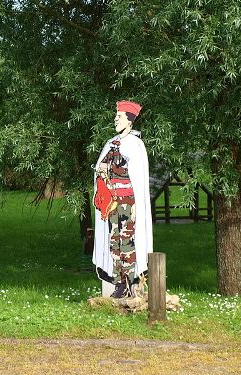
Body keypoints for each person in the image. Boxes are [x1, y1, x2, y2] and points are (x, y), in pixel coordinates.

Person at [92, 101, 153, 298]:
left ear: (129, 120)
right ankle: (119, 284)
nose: (115, 119)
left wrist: (109, 168)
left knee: (127, 242)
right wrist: (101, 170)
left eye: (119, 117)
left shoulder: (135, 145)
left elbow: (133, 174)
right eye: (116, 116)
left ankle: (129, 282)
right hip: (112, 203)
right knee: (114, 242)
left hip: (128, 202)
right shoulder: (111, 143)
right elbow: (102, 166)